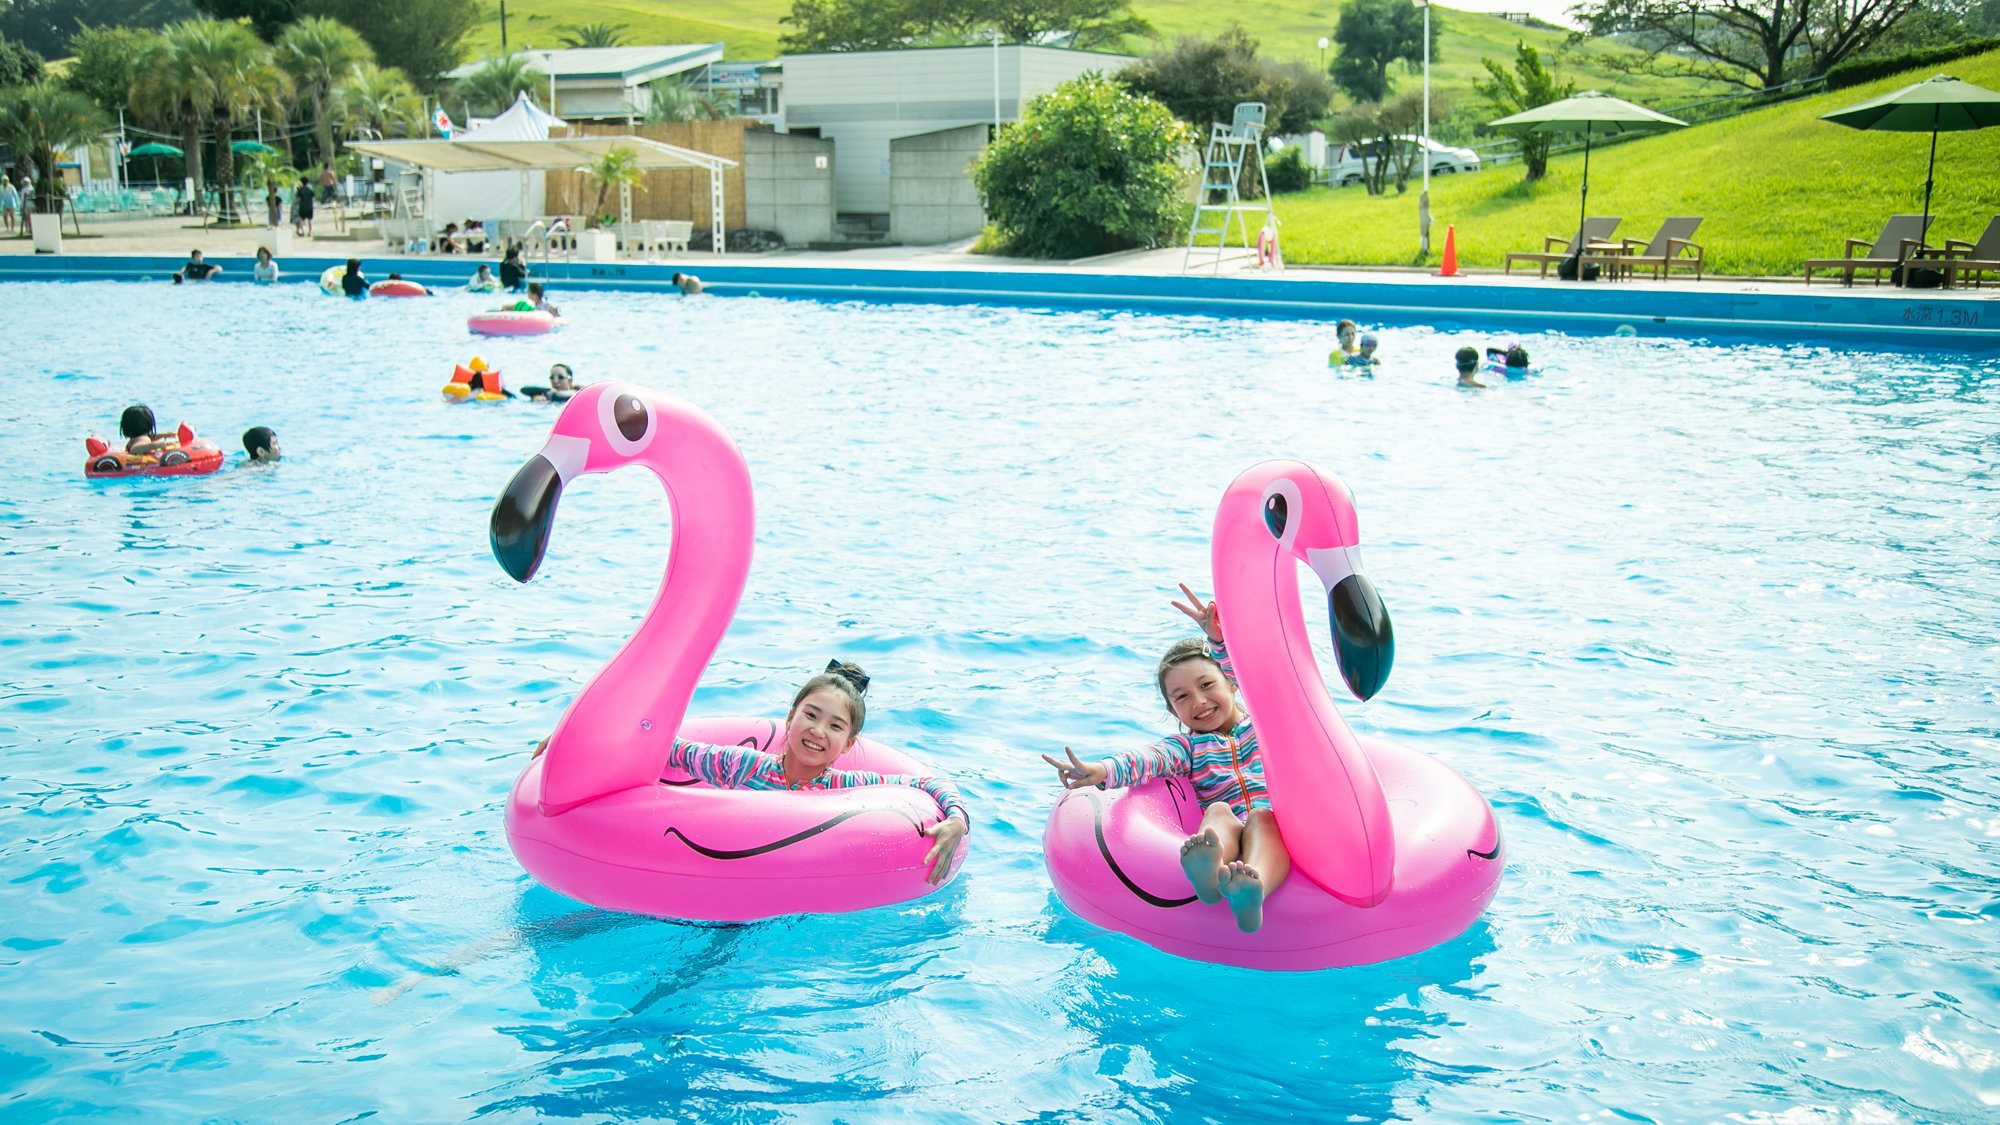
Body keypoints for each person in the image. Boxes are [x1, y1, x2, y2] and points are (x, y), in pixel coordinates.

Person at [533, 660, 968, 885]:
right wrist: (576, 746)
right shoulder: (743, 766)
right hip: (709, 882)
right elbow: (669, 752)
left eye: (835, 726)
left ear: (849, 744)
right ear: (790, 717)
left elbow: (926, 784)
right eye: (811, 715)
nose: (818, 731)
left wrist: (954, 820)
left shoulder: (846, 787)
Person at [1042, 585, 1287, 933]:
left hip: (1273, 825)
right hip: (1229, 829)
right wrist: (1101, 771)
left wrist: (1219, 642)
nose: (1199, 701)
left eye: (1206, 685)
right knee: (1218, 812)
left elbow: (1258, 678)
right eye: (1182, 697)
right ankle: (1210, 872)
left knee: (1263, 818)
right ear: (1172, 710)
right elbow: (1145, 760)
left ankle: (1253, 888)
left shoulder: (1262, 726)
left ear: (1231, 683)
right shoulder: (1185, 750)